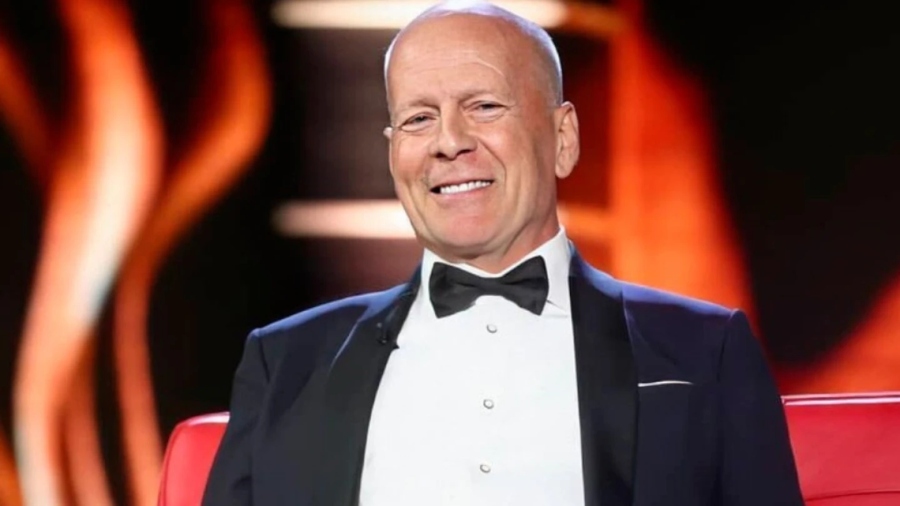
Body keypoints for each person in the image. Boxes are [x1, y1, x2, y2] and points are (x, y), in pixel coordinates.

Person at [201, 2, 804, 505]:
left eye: (484, 106)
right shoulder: (286, 363)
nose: (449, 142)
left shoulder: (703, 351)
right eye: (418, 118)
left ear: (563, 139)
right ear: (391, 154)